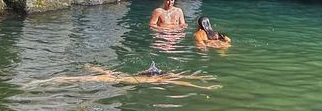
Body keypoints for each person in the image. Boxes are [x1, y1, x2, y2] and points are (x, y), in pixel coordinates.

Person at [31, 63, 220, 90]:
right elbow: (182, 81)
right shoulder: (159, 78)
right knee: (78, 79)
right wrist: (201, 86)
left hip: (119, 76)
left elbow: (180, 78)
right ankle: (41, 81)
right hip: (114, 79)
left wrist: (199, 82)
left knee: (97, 73)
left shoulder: (155, 77)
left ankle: (90, 66)